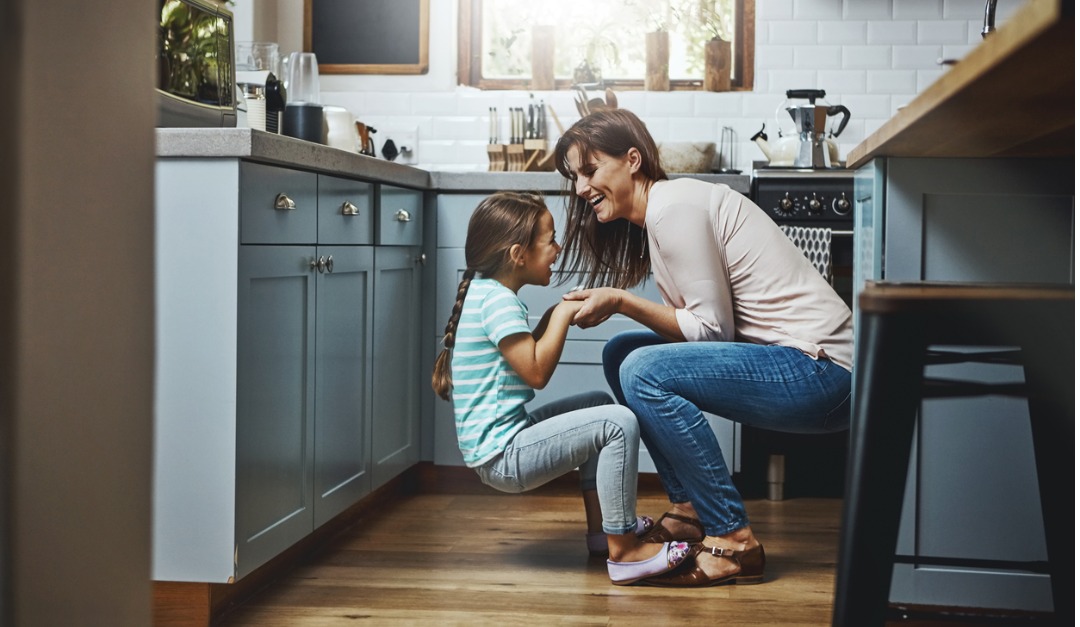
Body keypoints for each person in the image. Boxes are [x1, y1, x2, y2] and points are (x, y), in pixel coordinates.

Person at [552, 108, 853, 587]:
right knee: (622, 355)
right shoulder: (661, 215)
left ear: (633, 160)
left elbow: (712, 332)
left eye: (589, 171)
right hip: (800, 366)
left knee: (642, 369)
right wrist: (622, 306)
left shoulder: (674, 208)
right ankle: (689, 510)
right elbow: (706, 330)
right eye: (574, 177)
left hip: (824, 374)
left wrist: (623, 300)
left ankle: (734, 539)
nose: (580, 188)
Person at [431, 191, 690, 586]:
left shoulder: (487, 292)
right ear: (518, 254)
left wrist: (553, 315)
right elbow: (535, 373)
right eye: (550, 239)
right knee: (617, 423)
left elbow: (519, 361)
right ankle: (625, 553)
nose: (558, 248)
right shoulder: (498, 302)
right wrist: (564, 315)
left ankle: (602, 532)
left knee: (598, 405)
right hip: (504, 455)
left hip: (502, 443)